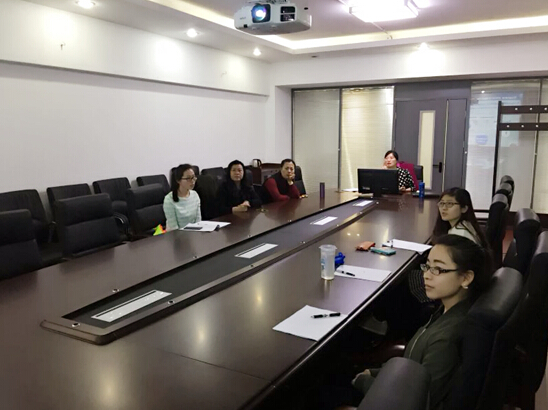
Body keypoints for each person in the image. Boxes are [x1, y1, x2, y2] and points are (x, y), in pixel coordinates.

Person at [351, 235, 492, 410]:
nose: (426, 275)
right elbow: (415, 365)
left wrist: (364, 381)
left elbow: (417, 400)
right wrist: (376, 373)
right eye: (427, 266)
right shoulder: (446, 310)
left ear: (466, 278)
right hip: (401, 380)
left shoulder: (446, 338)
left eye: (438, 269)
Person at [163, 164, 201, 230]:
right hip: (175, 234)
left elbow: (198, 222)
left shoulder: (195, 195)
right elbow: (174, 228)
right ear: (178, 180)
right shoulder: (169, 199)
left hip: (193, 233)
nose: (192, 181)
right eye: (188, 178)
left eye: (193, 177)